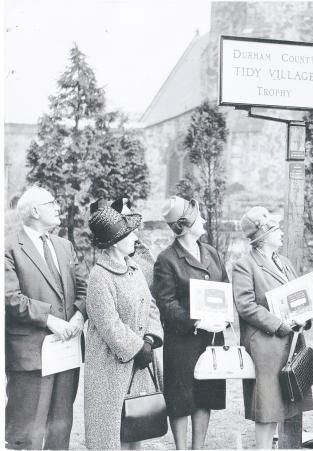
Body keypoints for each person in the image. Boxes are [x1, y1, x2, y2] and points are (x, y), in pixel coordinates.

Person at [5, 186, 87, 449]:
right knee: (26, 434)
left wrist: (77, 317)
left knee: (59, 433)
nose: (58, 207)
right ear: (35, 210)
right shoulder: (8, 248)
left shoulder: (65, 246)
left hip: (66, 352)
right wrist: (50, 320)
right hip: (31, 356)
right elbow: (9, 297)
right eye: (51, 203)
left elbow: (85, 288)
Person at [83, 204, 163, 449]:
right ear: (116, 242)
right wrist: (139, 348)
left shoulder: (135, 268)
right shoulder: (100, 276)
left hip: (138, 361)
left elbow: (151, 307)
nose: (136, 238)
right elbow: (109, 325)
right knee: (111, 434)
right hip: (110, 367)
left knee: (135, 427)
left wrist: (150, 340)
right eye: (130, 234)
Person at [232, 206, 313, 449]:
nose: (281, 233)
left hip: (290, 342)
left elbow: (297, 297)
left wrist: (304, 318)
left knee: (285, 403)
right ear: (263, 236)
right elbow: (245, 306)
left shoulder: (284, 262)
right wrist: (279, 324)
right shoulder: (245, 265)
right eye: (276, 229)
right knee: (267, 407)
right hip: (265, 345)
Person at [153, 196, 228, 450]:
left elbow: (224, 289)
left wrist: (222, 319)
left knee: (205, 396)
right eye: (199, 217)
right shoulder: (166, 259)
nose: (204, 219)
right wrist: (197, 322)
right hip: (183, 342)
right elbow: (166, 304)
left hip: (211, 339)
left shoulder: (212, 254)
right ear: (184, 225)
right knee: (181, 399)